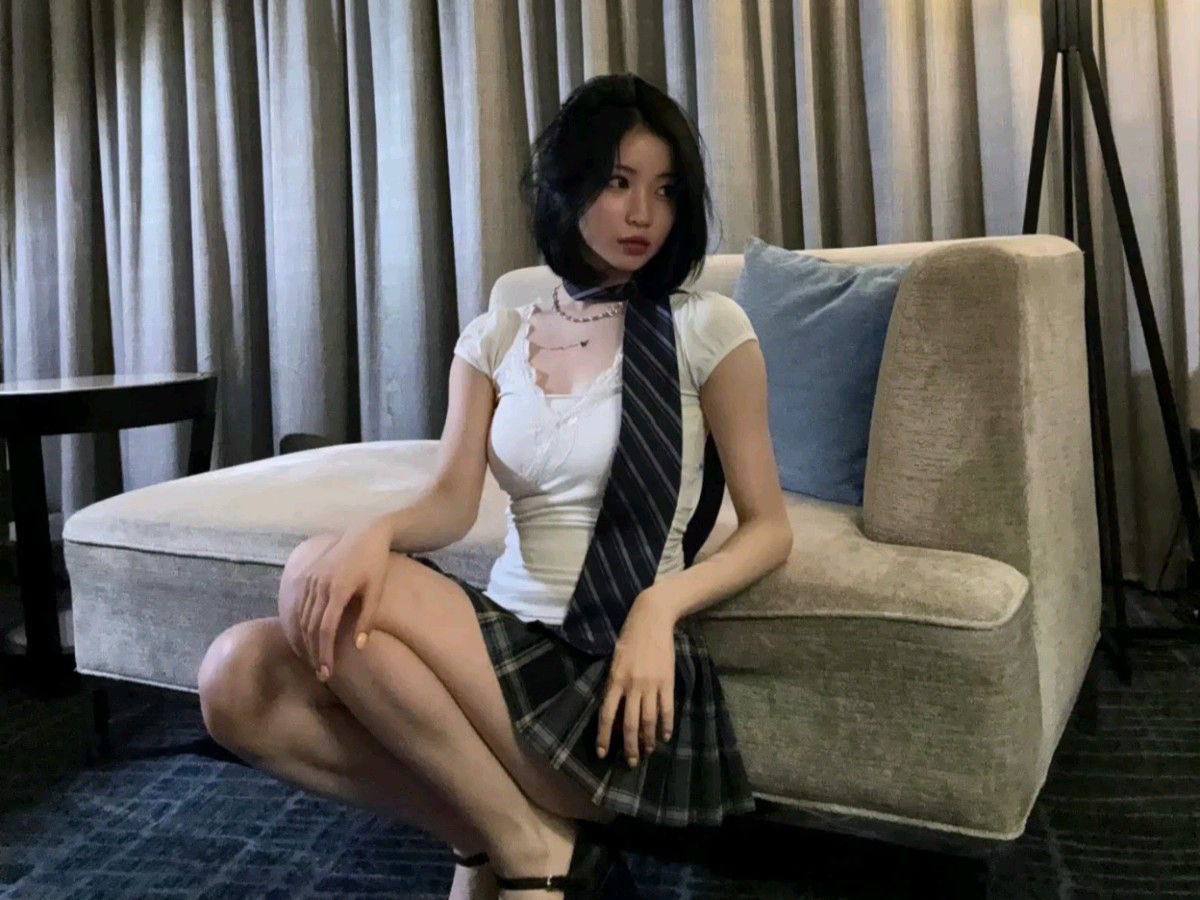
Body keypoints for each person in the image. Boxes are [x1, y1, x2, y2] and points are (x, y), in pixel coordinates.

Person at [197, 72, 793, 900]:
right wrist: (373, 533)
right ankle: (516, 838)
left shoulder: (706, 327)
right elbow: (450, 502)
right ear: (568, 189)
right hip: (501, 650)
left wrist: (659, 611)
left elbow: (769, 527)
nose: (642, 214)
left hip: (607, 681)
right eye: (618, 183)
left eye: (663, 190)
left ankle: (516, 844)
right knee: (237, 677)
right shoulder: (496, 336)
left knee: (325, 579)